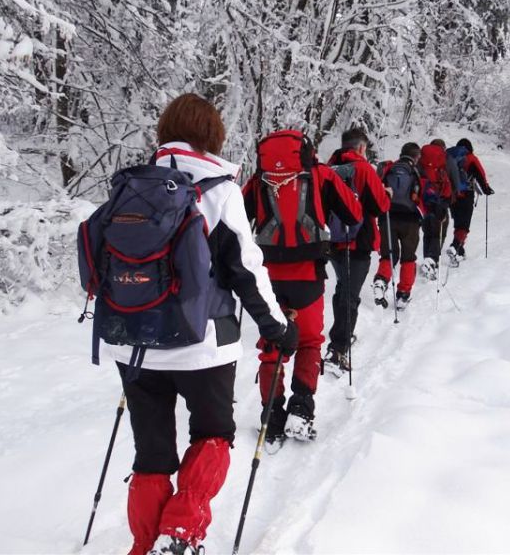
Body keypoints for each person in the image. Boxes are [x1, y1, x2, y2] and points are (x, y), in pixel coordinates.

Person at [102, 94, 298, 555]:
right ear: (213, 135)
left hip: (133, 342)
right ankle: (180, 533)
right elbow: (246, 269)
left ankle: (145, 544)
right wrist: (277, 329)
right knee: (213, 434)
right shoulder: (217, 189)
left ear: (163, 131)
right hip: (203, 343)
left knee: (151, 453)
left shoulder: (129, 186)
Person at [243, 130, 362, 443]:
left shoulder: (259, 180)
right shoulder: (320, 175)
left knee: (272, 345)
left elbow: (238, 222)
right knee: (309, 342)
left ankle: (271, 414)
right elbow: (354, 214)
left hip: (268, 278)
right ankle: (301, 409)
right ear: (307, 153)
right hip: (308, 275)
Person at [325, 128, 391, 372]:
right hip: (359, 241)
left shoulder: (328, 168)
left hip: (333, 241)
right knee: (349, 296)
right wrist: (386, 193)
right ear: (361, 148)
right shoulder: (363, 169)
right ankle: (338, 350)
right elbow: (380, 206)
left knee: (343, 289)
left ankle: (341, 338)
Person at [373, 142, 424, 312]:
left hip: (388, 216)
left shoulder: (388, 167)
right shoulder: (417, 172)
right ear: (416, 157)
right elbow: (423, 197)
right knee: (408, 258)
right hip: (410, 220)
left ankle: (381, 280)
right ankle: (403, 294)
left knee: (388, 254)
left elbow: (375, 188)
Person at [446, 137, 495, 260]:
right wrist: (486, 189)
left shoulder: (449, 156)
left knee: (459, 222)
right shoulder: (471, 158)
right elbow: (480, 174)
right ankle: (455, 246)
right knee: (464, 224)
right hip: (466, 194)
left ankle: (460, 250)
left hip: (451, 195)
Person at [417, 138, 458, 280]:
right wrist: (451, 200)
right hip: (439, 204)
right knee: (439, 232)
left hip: (422, 205)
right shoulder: (444, 163)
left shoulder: (420, 161)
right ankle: (431, 261)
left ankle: (427, 260)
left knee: (427, 232)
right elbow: (452, 183)